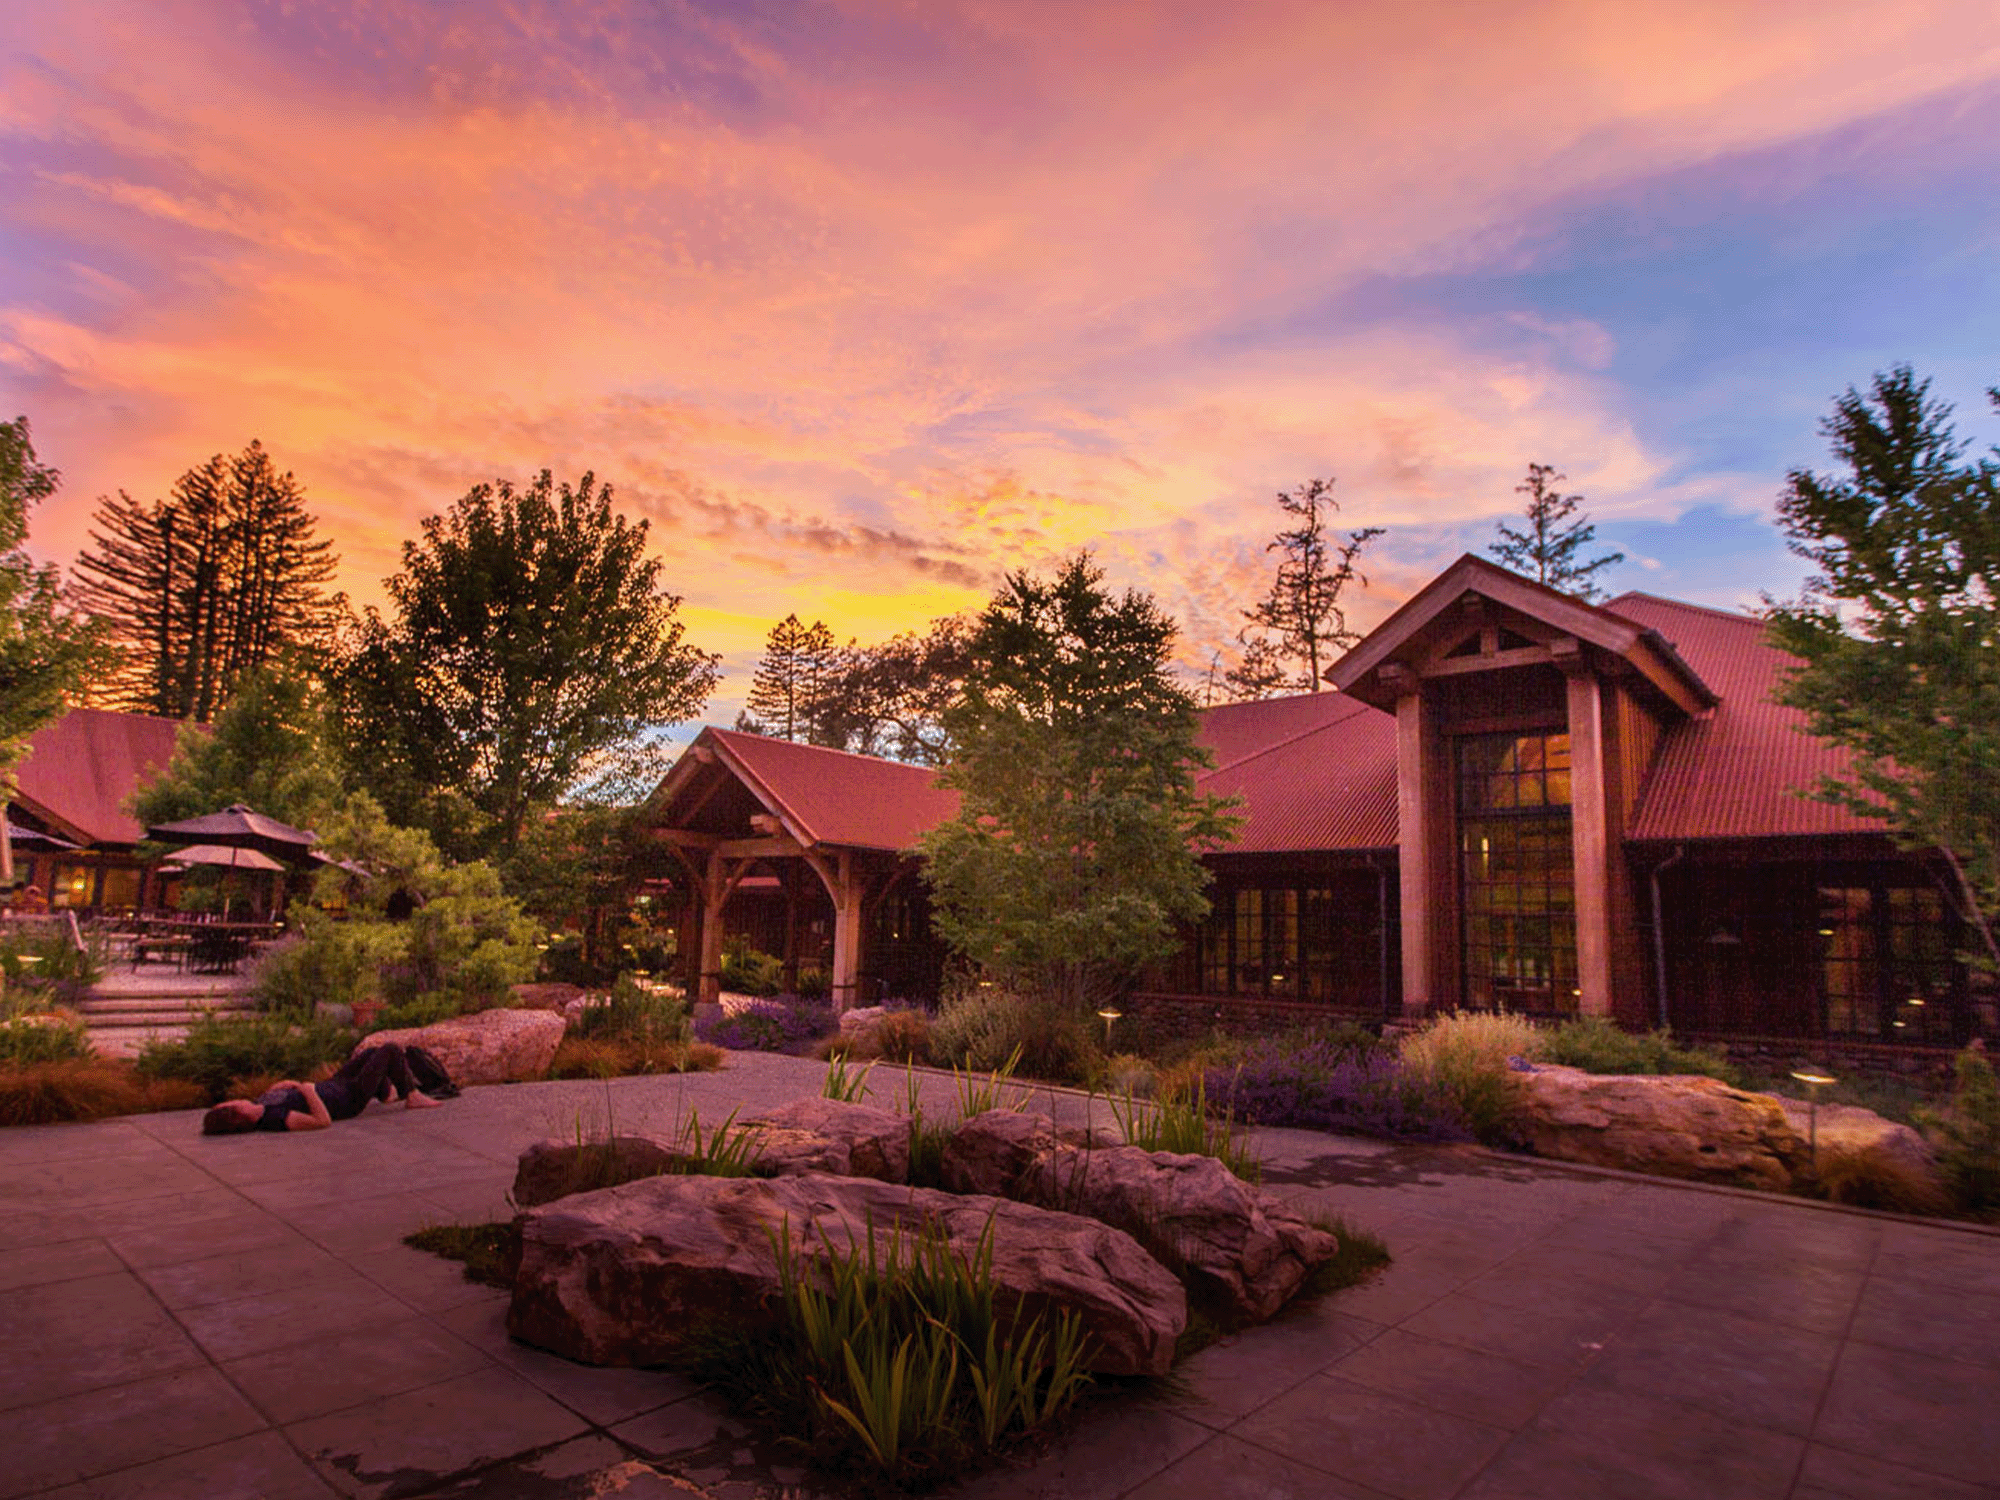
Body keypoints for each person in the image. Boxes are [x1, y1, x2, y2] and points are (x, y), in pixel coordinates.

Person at [201, 1041, 443, 1134]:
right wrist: (307, 1091)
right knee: (389, 1050)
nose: (237, 1100)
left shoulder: (260, 1105)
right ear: (239, 1115)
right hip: (349, 1100)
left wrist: (284, 1087)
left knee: (370, 1053)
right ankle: (412, 1095)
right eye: (232, 1103)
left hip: (334, 1085)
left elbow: (277, 1094)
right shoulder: (277, 1120)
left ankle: (386, 1093)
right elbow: (321, 1121)